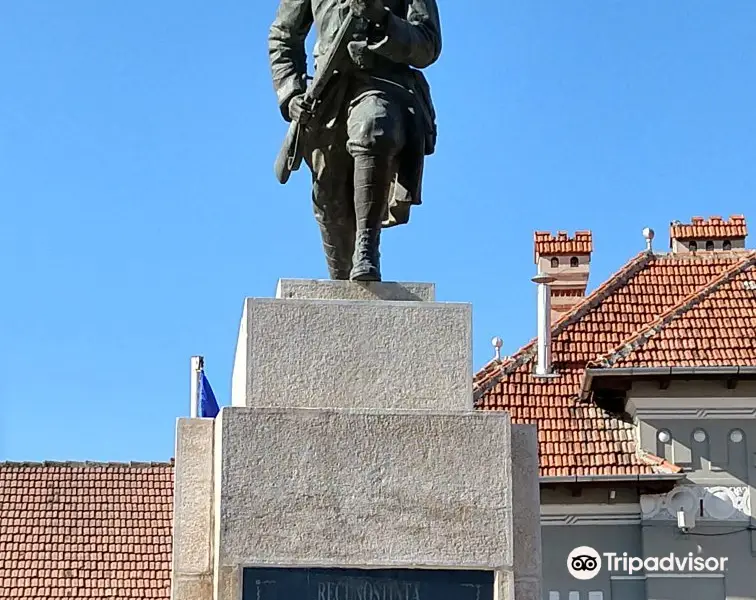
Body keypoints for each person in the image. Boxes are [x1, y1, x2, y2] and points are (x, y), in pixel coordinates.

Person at [269, 0, 441, 281]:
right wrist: (291, 93)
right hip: (326, 95)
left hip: (384, 83)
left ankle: (367, 248)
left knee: (373, 127)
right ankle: (342, 276)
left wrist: (382, 19)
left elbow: (428, 44)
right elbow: (283, 35)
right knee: (329, 198)